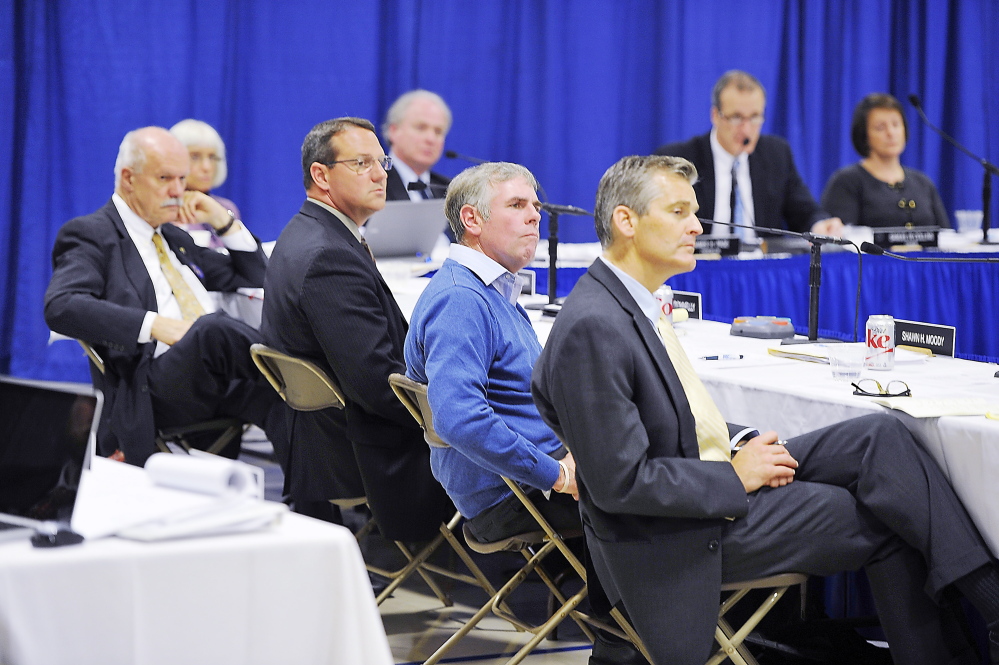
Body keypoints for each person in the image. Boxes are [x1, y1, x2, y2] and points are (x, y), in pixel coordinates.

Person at [532, 154, 999, 665]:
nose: (697, 226)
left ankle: (991, 604)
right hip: (674, 536)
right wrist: (735, 477)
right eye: (680, 212)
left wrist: (739, 444)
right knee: (887, 516)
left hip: (704, 481)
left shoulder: (627, 302)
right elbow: (620, 485)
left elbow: (673, 413)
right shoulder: (594, 327)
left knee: (879, 437)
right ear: (626, 221)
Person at [405, 161, 644, 665]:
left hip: (521, 481)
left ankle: (640, 634)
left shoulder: (490, 290)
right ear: (471, 220)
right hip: (511, 495)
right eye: (517, 205)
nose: (535, 216)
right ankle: (641, 640)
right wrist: (556, 473)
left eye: (535, 205)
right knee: (670, 489)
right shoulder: (461, 300)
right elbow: (458, 418)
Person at [260, 117, 453, 539]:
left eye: (380, 161)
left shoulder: (309, 232)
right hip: (364, 452)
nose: (379, 173)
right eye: (361, 163)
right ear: (320, 175)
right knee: (528, 433)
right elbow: (376, 384)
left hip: (330, 438)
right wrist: (457, 414)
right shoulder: (328, 256)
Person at [44, 127, 284, 465]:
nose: (178, 190)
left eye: (182, 179)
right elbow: (61, 306)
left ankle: (320, 510)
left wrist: (221, 220)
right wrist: (157, 325)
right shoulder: (91, 234)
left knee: (293, 405)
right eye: (164, 178)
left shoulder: (173, 235)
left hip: (211, 374)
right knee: (214, 329)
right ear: (129, 179)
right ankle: (299, 366)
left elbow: (254, 277)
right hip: (150, 387)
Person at [655, 70, 842, 241]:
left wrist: (820, 225)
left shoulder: (776, 153)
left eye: (754, 118)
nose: (746, 129)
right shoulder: (680, 159)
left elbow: (803, 211)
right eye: (736, 118)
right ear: (716, 116)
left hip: (759, 270)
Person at [821, 93, 948, 229]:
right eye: (880, 128)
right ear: (864, 135)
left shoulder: (923, 183)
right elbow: (838, 240)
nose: (891, 133)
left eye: (896, 125)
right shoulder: (846, 182)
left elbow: (945, 235)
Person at [382, 90, 452, 202]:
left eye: (438, 131)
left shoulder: (449, 190)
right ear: (394, 131)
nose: (431, 139)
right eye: (421, 128)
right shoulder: (375, 183)